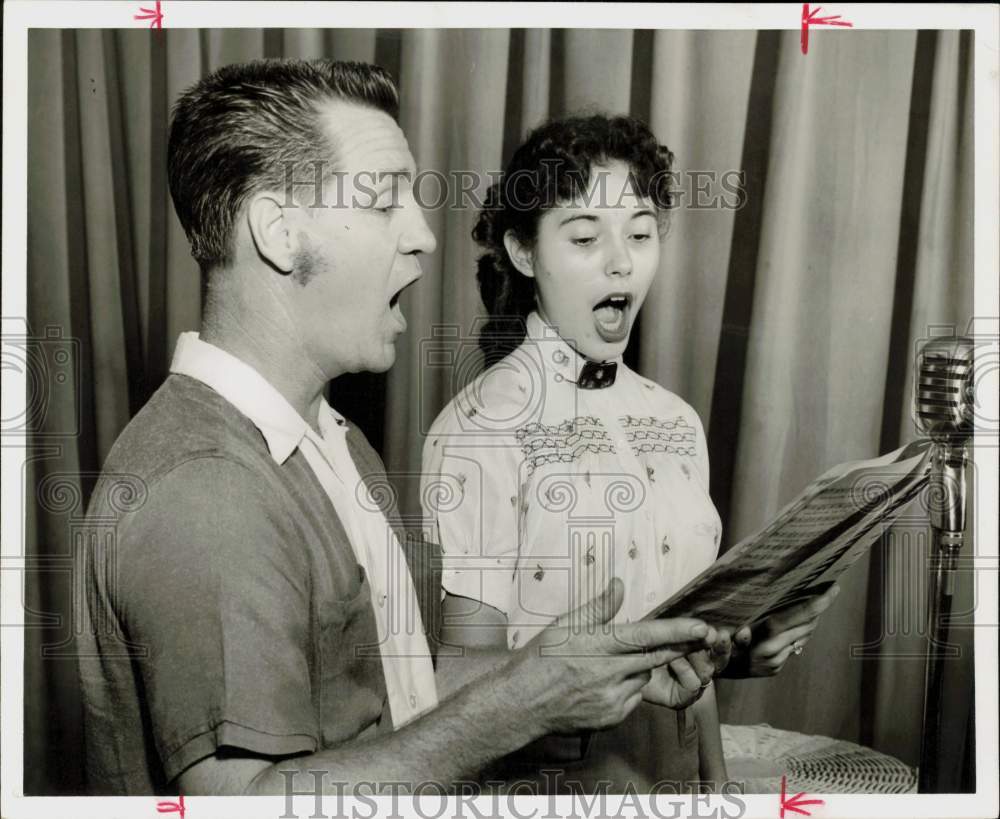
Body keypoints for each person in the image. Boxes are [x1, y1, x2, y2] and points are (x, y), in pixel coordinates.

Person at [74, 60, 727, 798]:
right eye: (385, 200)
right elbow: (243, 803)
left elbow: (406, 684)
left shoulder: (333, 441)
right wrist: (526, 701)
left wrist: (601, 670)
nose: (423, 236)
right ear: (279, 233)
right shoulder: (208, 490)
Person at [421, 114, 840, 793]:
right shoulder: (479, 428)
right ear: (525, 253)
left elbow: (688, 669)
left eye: (641, 233)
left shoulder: (676, 420)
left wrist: (733, 659)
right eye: (585, 236)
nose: (621, 260)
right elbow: (458, 681)